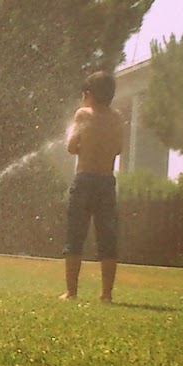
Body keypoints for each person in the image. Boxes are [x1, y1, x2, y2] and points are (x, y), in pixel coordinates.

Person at [62, 70, 126, 302]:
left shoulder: (82, 114)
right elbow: (118, 149)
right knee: (107, 238)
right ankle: (106, 294)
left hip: (84, 180)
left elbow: (71, 147)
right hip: (106, 182)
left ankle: (71, 292)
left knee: (75, 235)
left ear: (88, 93)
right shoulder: (117, 117)